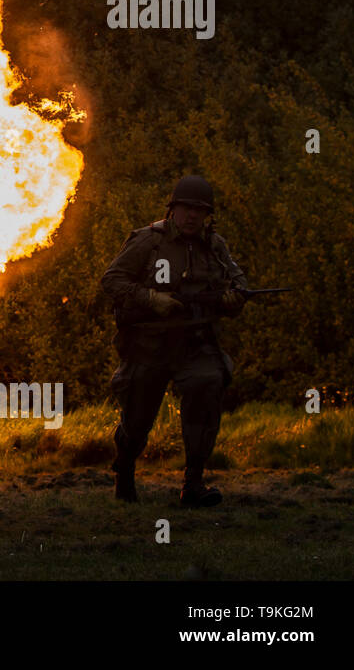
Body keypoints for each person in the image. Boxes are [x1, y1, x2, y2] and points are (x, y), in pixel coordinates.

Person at [100, 175, 247, 507]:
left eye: (200, 210)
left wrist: (232, 300)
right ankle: (124, 471)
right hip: (148, 345)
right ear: (173, 209)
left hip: (196, 343)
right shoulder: (148, 242)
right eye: (187, 208)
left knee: (207, 388)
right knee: (137, 421)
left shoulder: (215, 246)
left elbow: (238, 284)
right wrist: (152, 298)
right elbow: (112, 280)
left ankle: (192, 484)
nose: (193, 216)